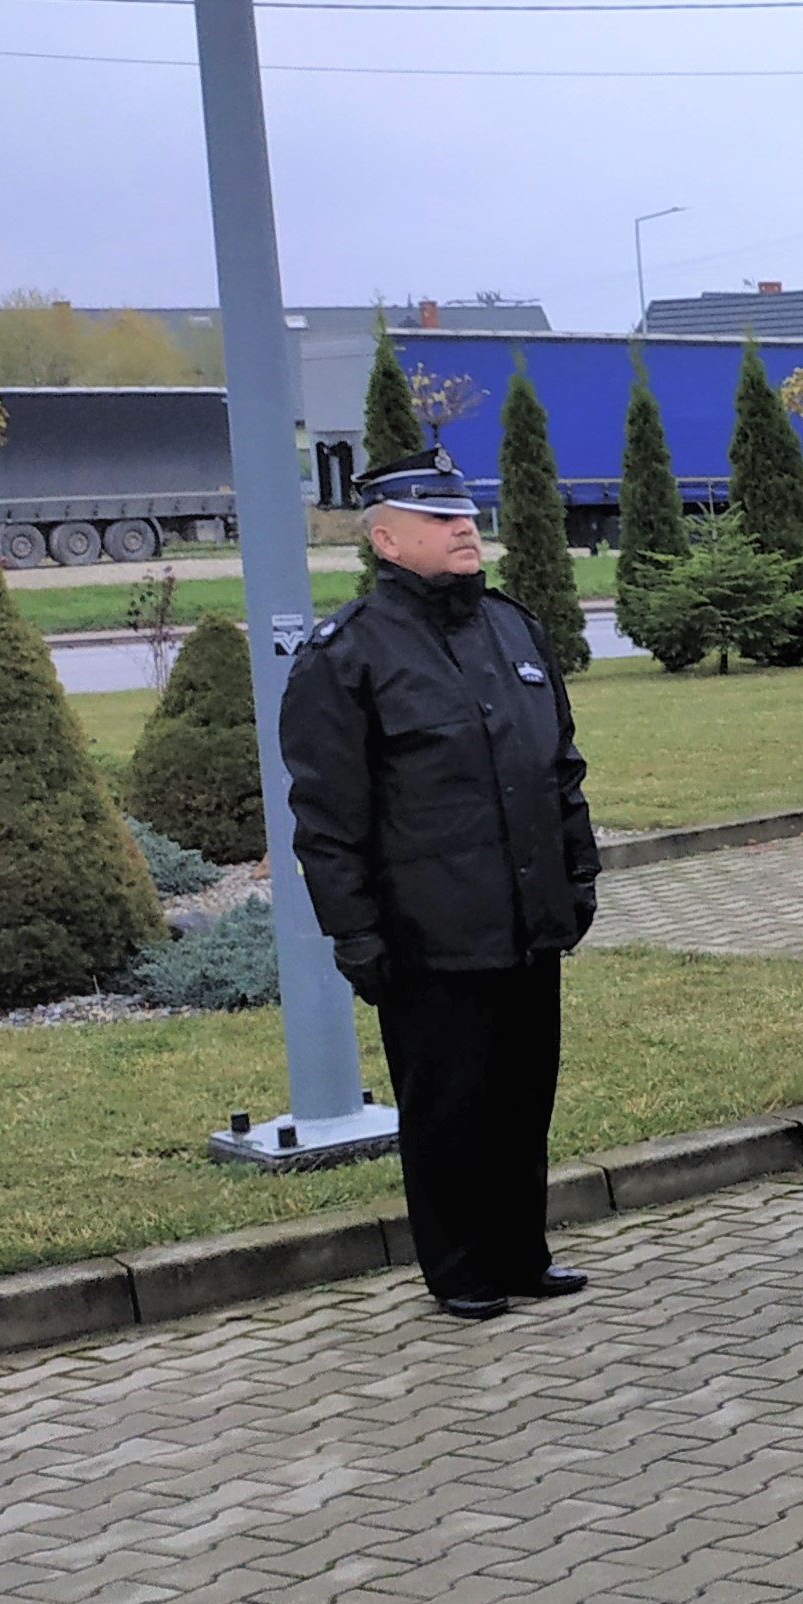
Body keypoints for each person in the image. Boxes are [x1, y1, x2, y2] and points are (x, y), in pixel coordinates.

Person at [278, 450, 598, 1321]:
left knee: (522, 1096)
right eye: (439, 518)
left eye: (464, 513)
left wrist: (578, 874)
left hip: (526, 916)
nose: (465, 527)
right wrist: (355, 932)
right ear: (386, 539)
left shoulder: (512, 627)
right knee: (448, 1104)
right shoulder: (348, 653)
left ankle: (522, 1252)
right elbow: (327, 815)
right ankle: (459, 1267)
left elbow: (557, 767)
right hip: (430, 929)